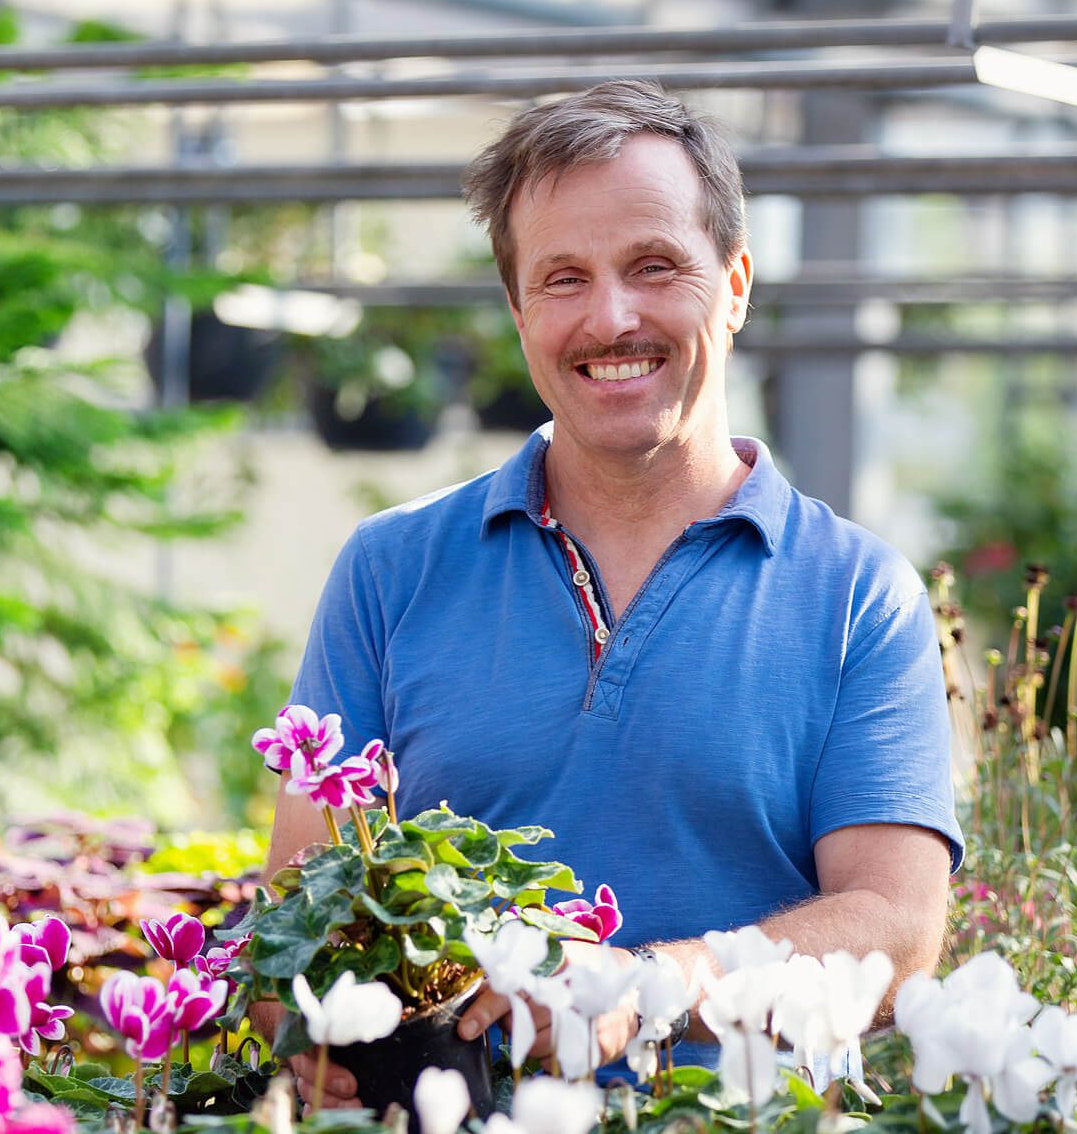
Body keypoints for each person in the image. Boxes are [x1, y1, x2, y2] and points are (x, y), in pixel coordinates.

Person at [257, 80, 963, 1103]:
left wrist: (657, 980)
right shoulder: (390, 570)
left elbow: (897, 930)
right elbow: (298, 906)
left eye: (654, 266)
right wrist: (319, 1018)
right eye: (564, 278)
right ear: (517, 310)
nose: (612, 316)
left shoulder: (858, 596)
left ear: (735, 285)